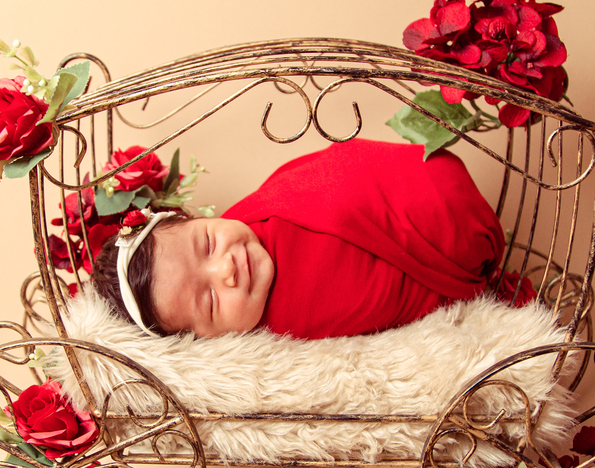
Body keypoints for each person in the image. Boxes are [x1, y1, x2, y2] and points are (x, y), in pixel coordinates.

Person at [90, 139, 533, 340]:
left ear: (192, 217)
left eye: (206, 243)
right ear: (206, 339)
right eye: (208, 302)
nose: (225, 268)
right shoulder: (280, 334)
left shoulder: (260, 210)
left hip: (426, 194)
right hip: (455, 255)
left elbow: (338, 171)